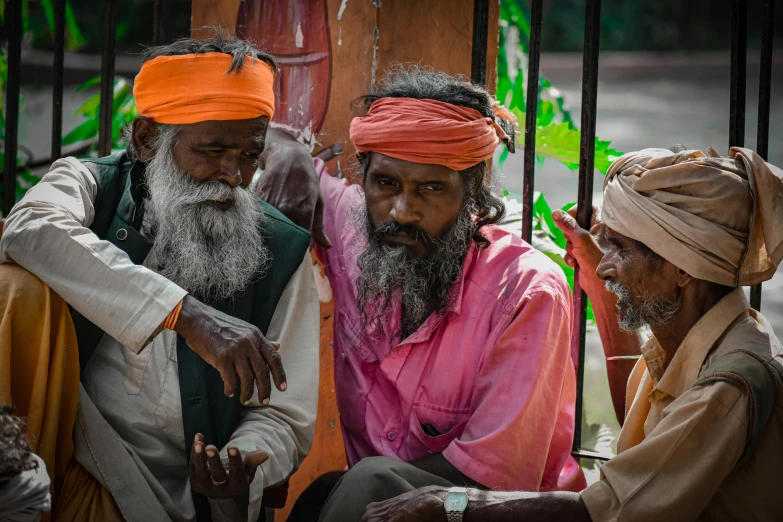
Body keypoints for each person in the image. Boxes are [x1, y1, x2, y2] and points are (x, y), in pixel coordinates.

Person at [359, 145, 783, 522]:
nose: (605, 265)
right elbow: (635, 425)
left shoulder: (729, 383)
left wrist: (448, 505)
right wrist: (599, 290)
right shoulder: (705, 339)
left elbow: (604, 510)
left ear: (682, 268)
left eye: (619, 248)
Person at [0, 30, 320, 522]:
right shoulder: (90, 184)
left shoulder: (280, 248)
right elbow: (27, 229)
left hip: (184, 501)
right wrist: (185, 315)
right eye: (212, 151)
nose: (234, 175)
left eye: (250, 154)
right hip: (71, 458)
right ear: (149, 139)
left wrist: (242, 462)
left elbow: (283, 413)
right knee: (17, 287)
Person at [278, 66, 581, 522]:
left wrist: (378, 489)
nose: (402, 210)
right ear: (366, 180)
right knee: (322, 495)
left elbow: (497, 480)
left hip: (484, 511)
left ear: (473, 190)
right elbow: (265, 139)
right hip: (372, 505)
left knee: (366, 481)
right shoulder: (355, 228)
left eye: (432, 188)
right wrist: (288, 154)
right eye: (386, 184)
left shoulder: (526, 292)